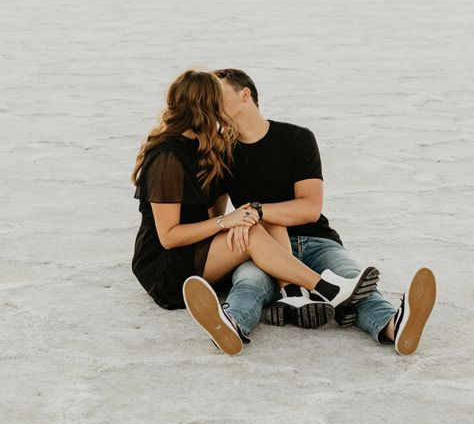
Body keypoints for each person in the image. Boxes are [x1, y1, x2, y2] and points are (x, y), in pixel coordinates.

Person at [131, 69, 379, 356]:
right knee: (249, 223)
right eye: (217, 101)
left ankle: (294, 294)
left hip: (195, 251)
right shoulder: (167, 158)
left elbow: (212, 214)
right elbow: (169, 238)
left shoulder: (201, 148)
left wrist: (235, 222)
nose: (222, 109)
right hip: (164, 266)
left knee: (256, 213)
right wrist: (227, 222)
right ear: (204, 106)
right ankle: (329, 290)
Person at [193, 68, 434, 358]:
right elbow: (215, 216)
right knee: (249, 283)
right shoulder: (221, 152)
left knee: (351, 278)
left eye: (217, 94)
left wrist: (257, 211)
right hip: (259, 247)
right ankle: (230, 324)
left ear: (245, 95)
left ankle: (395, 326)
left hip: (315, 239)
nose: (210, 102)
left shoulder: (297, 139)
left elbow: (309, 208)